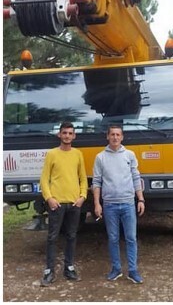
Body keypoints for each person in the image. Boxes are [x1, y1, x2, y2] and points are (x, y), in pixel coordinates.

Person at [92, 125, 145, 284]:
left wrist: (140, 199)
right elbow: (96, 182)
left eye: (118, 135)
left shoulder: (129, 155)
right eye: (112, 135)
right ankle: (116, 269)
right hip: (109, 205)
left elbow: (136, 177)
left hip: (128, 203)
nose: (115, 137)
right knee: (113, 238)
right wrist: (97, 204)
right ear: (107, 137)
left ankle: (133, 270)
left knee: (131, 238)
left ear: (122, 137)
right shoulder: (100, 157)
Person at [39, 122, 88, 286]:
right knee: (52, 237)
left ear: (74, 136)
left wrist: (82, 197)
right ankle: (49, 271)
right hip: (57, 204)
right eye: (64, 133)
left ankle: (69, 268)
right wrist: (49, 198)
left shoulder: (78, 154)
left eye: (70, 133)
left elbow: (83, 178)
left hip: (74, 204)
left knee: (71, 236)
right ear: (59, 135)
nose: (67, 136)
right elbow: (44, 179)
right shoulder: (52, 154)